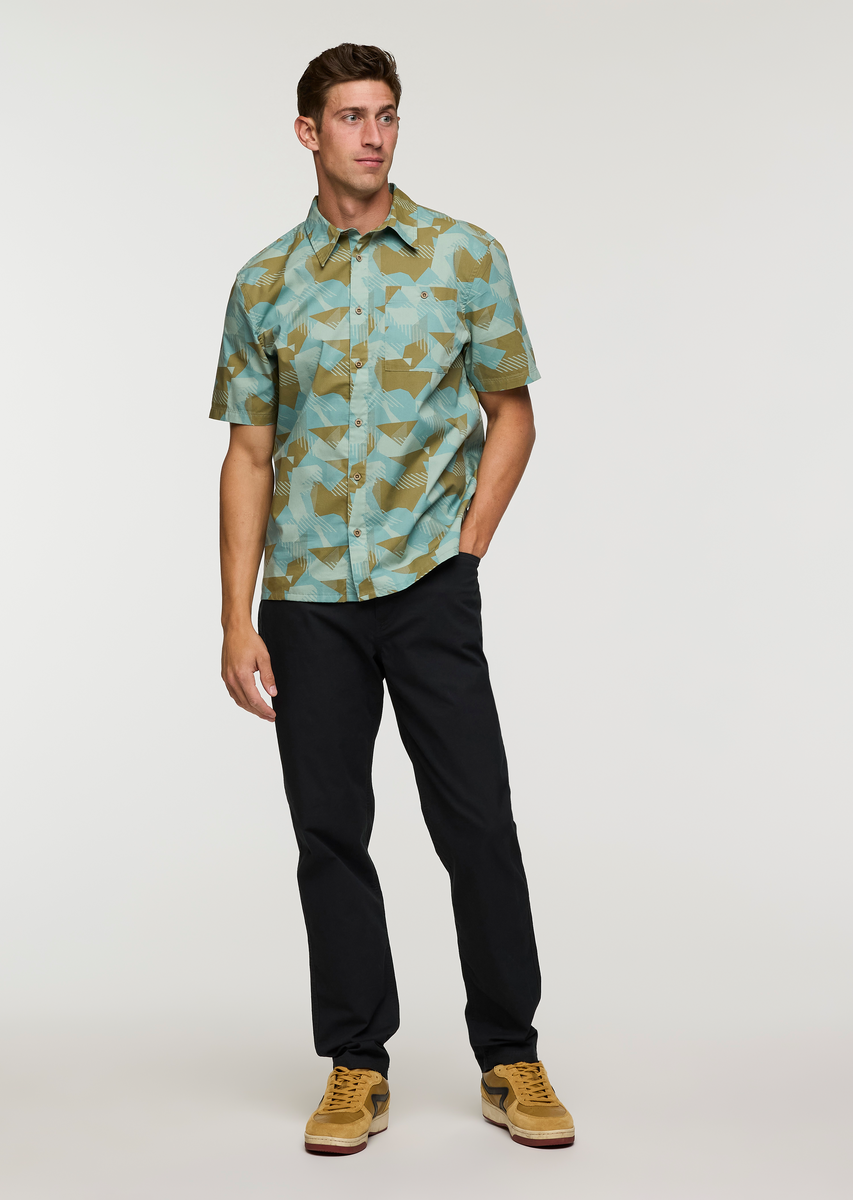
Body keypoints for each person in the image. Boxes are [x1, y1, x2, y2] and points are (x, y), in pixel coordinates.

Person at [211, 42, 574, 1156]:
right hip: (308, 598)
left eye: (386, 115)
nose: (372, 135)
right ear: (308, 133)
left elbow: (512, 411)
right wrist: (235, 617)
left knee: (478, 821)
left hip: (426, 586)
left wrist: (468, 547)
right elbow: (250, 453)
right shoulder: (264, 283)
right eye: (350, 117)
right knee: (330, 831)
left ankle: (510, 1054)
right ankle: (355, 1064)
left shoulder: (465, 256)